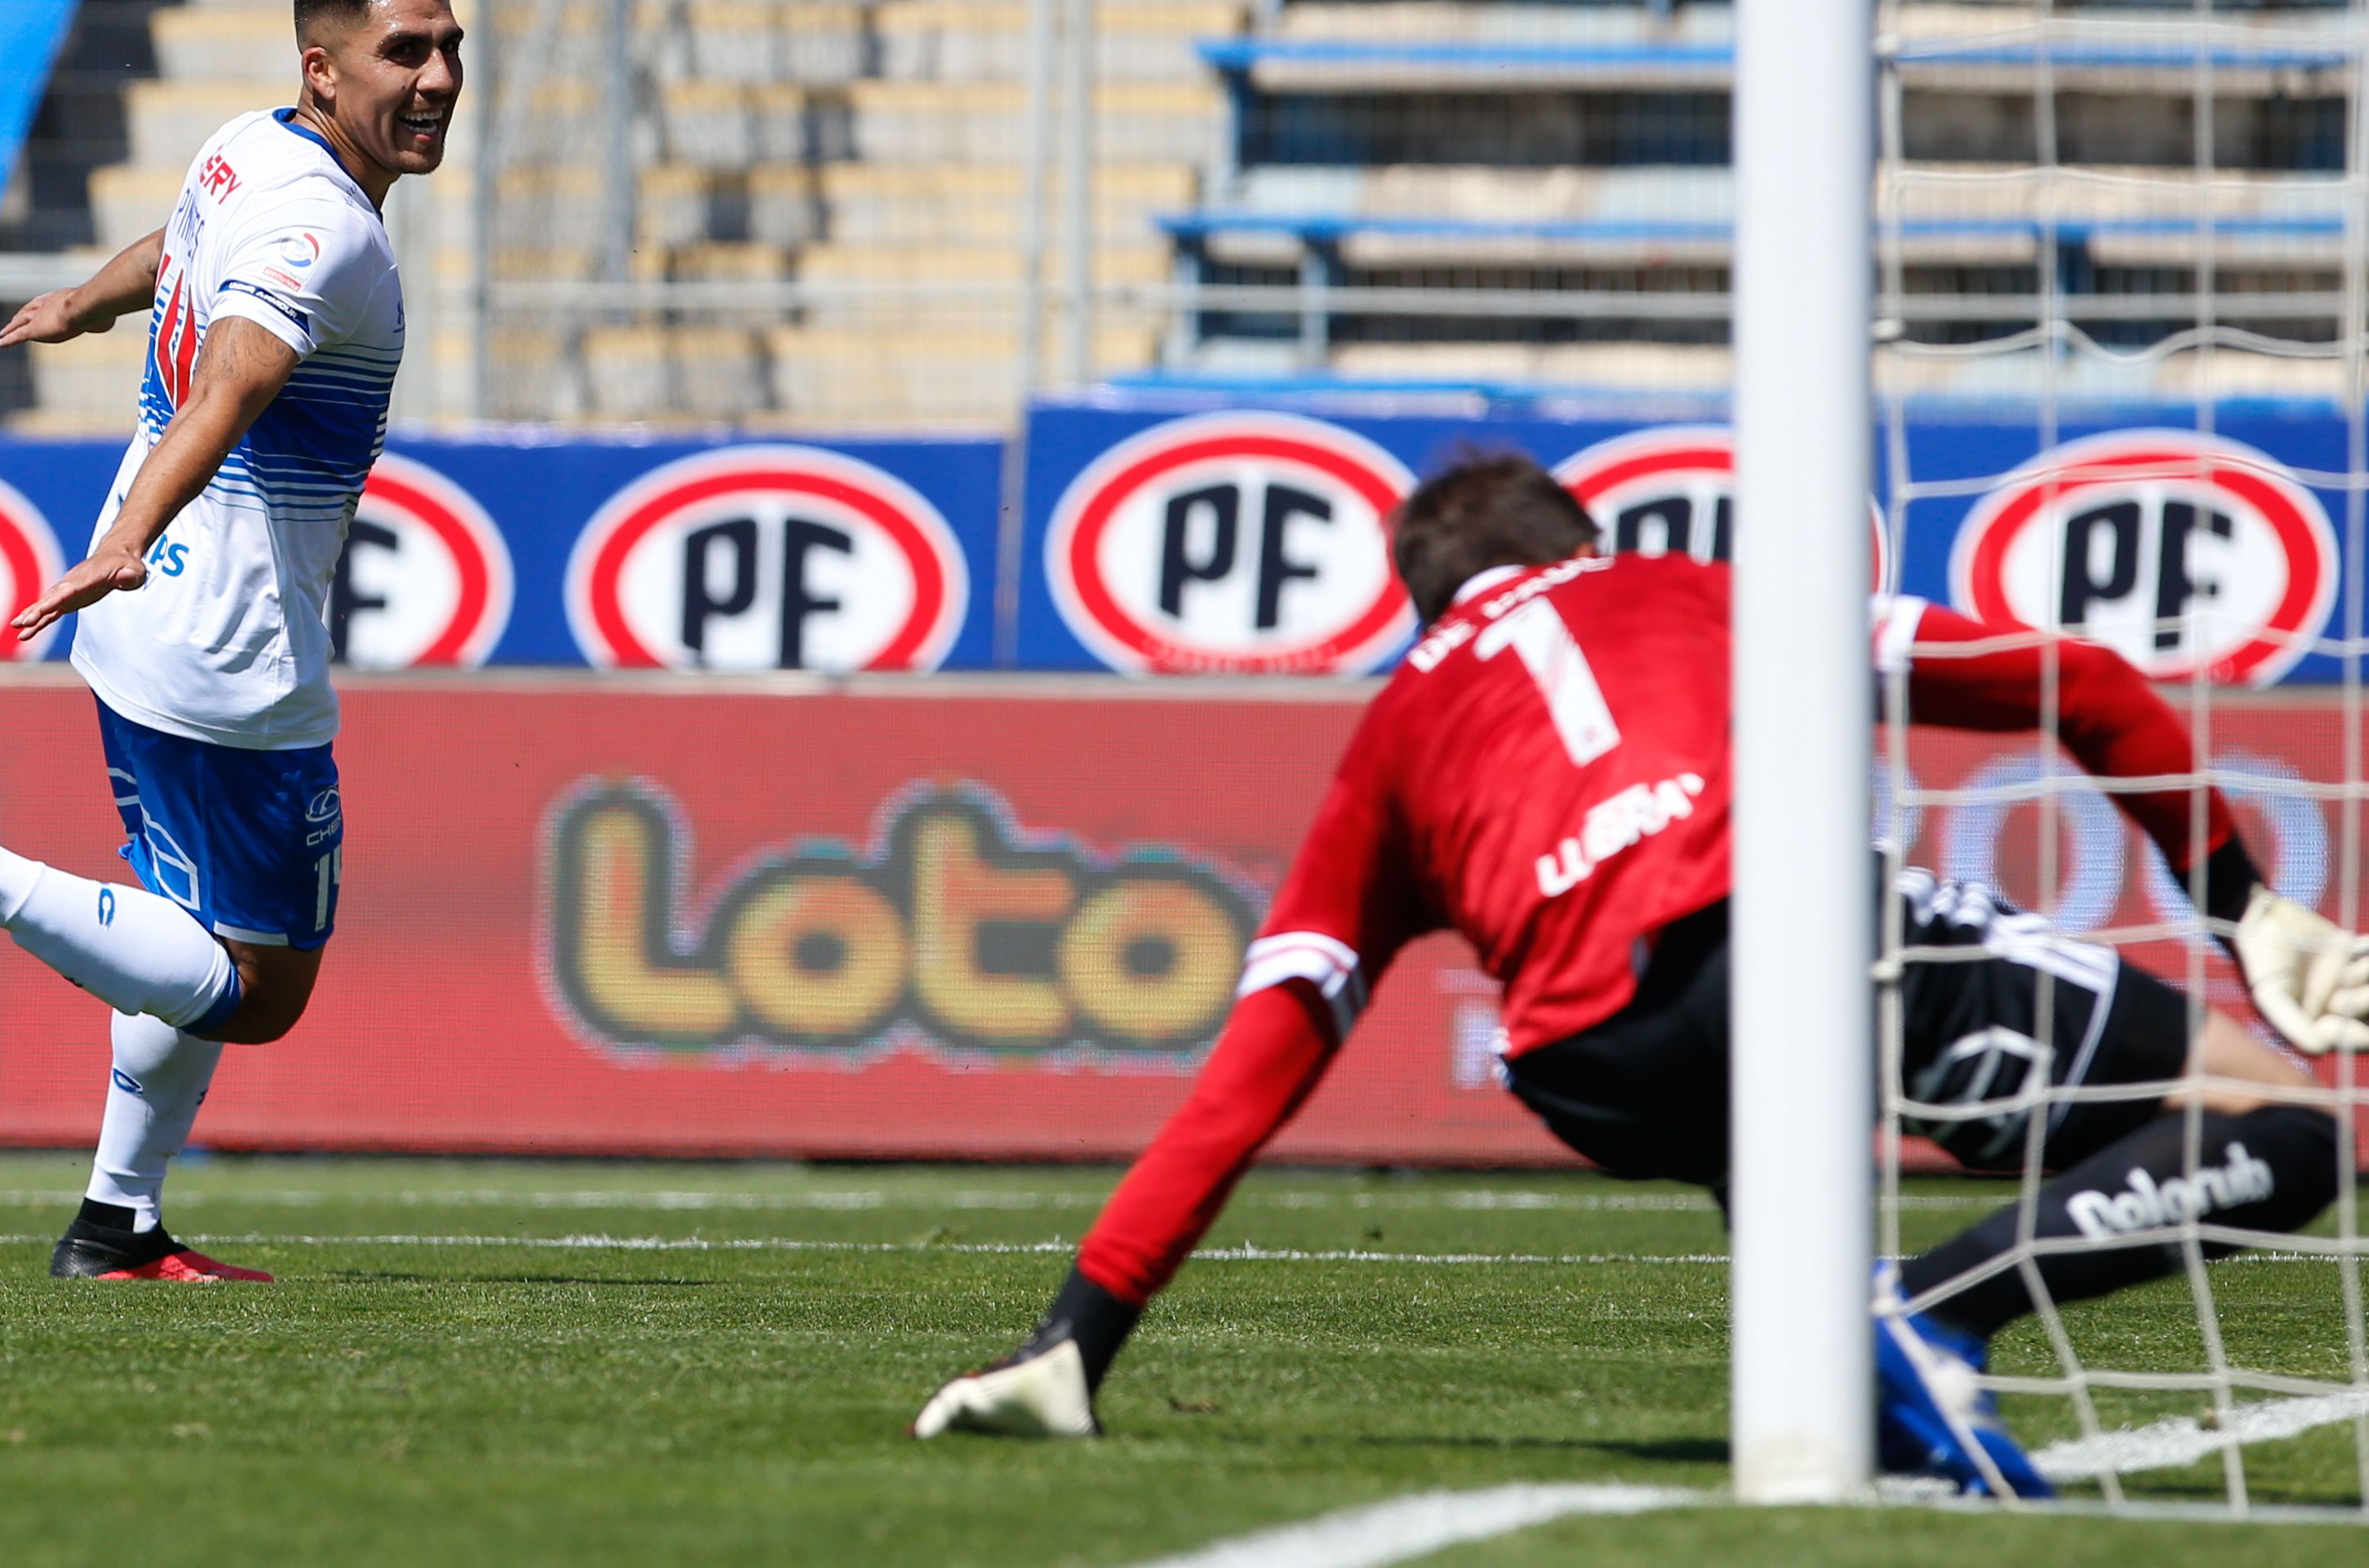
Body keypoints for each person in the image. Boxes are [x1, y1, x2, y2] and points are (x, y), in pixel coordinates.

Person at [912, 451, 2369, 1497]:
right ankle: (1927, 1309)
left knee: (1755, 1132)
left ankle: (1857, 1361)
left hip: (1583, 1060)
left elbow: (1258, 1064)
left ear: (1421, 607)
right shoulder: (1687, 588)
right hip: (1779, 935)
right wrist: (2239, 903)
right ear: (1586, 543)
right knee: (2278, 1117)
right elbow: (2085, 684)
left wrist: (1072, 1340)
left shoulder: (1390, 740)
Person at [0, 0, 462, 1283]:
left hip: (145, 626)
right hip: (225, 638)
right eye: (406, 51)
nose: (439, 76)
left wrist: (90, 301)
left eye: (449, 48)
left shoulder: (253, 145)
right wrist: (136, 534)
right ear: (323, 70)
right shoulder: (326, 229)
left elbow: (186, 244)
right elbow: (237, 380)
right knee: (259, 991)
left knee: (175, 922)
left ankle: (117, 1220)